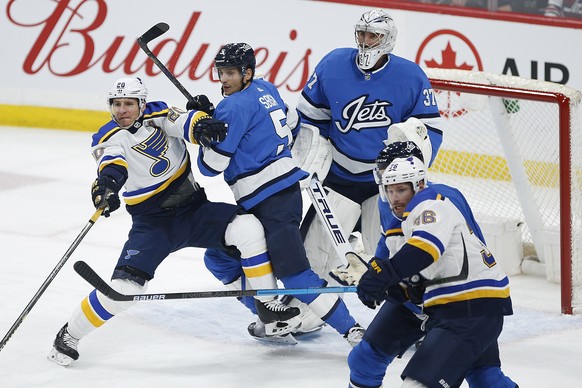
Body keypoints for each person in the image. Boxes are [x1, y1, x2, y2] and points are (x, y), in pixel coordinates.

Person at [47, 76, 302, 366]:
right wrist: (106, 186)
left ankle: (266, 306)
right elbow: (111, 163)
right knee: (123, 291)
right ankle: (69, 335)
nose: (122, 110)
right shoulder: (108, 137)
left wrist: (202, 125)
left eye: (128, 103)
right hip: (154, 224)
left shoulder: (157, 113)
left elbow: (183, 121)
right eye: (116, 104)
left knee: (249, 228)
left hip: (195, 211)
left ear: (141, 104)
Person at [195, 43, 365, 345]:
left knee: (295, 273)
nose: (224, 79)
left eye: (231, 72)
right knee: (219, 256)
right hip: (280, 195)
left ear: (247, 72)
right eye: (221, 72)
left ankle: (350, 329)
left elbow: (211, 167)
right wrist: (217, 121)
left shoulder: (231, 106)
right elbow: (293, 124)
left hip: (268, 201)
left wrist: (204, 134)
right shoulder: (266, 88)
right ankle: (273, 319)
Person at [333, 142, 517, 387]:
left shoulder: (436, 200)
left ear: (418, 181)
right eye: (388, 183)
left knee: (481, 377)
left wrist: (386, 274)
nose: (394, 195)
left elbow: (426, 251)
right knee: (364, 359)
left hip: (465, 301)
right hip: (426, 296)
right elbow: (392, 250)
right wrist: (378, 275)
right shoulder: (391, 203)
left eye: (400, 186)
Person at [295, 8, 444, 281]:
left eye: (373, 36)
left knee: (393, 255)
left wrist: (408, 168)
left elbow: (429, 130)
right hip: (338, 176)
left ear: (387, 39)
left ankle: (406, 314)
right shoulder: (333, 64)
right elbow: (310, 117)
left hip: (385, 183)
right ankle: (307, 312)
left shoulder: (410, 76)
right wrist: (311, 152)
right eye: (362, 33)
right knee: (315, 252)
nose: (365, 41)